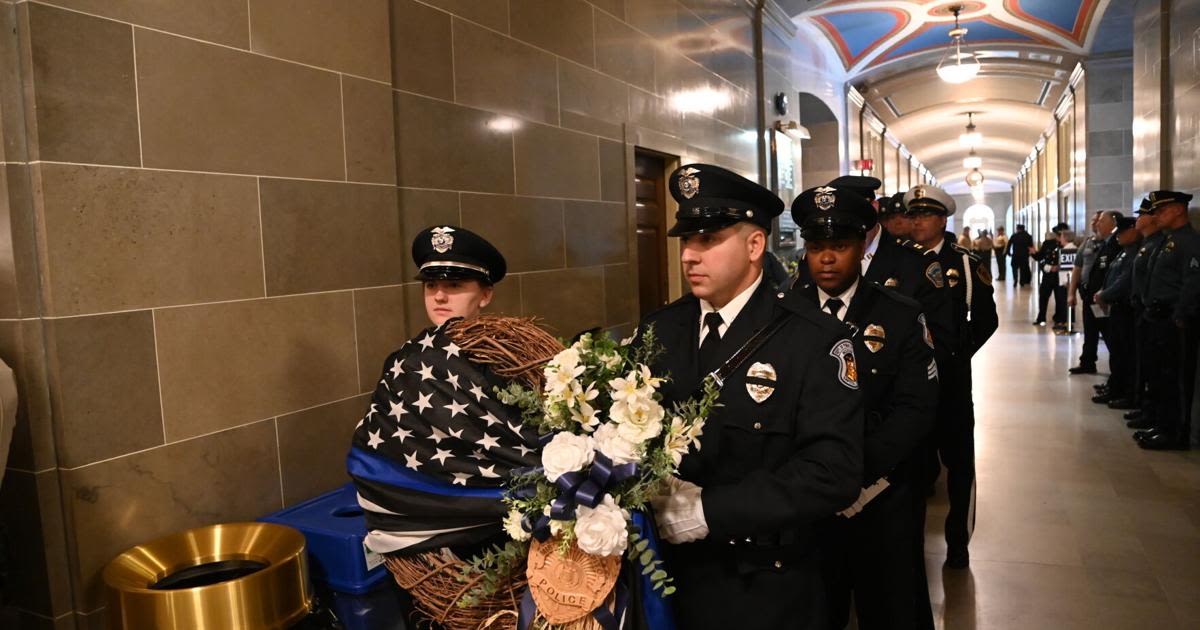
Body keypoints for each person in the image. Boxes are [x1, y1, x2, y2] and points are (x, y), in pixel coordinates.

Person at [642, 164, 863, 630]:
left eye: (708, 240)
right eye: (687, 240)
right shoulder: (660, 329)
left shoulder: (813, 338)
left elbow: (832, 472)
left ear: (755, 245)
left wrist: (710, 512)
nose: (689, 256)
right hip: (666, 579)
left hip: (767, 583)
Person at [347, 226, 544, 625]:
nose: (439, 296)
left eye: (454, 284)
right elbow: (381, 447)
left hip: (512, 536)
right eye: (431, 285)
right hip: (433, 543)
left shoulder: (510, 363)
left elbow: (531, 439)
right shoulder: (404, 364)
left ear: (485, 294)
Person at [790, 185, 938, 630]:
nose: (827, 258)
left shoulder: (899, 314)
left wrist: (857, 475)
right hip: (807, 496)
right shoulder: (785, 314)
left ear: (861, 247)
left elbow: (916, 406)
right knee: (816, 605)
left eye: (838, 246)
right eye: (816, 247)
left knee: (890, 605)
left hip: (882, 492)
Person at [904, 184, 998, 570]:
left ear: (943, 221)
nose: (917, 222)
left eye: (925, 215)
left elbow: (987, 320)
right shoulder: (900, 262)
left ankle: (958, 539)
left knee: (959, 462)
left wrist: (958, 356)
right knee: (912, 462)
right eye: (913, 215)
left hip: (952, 381)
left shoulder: (964, 263)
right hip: (909, 383)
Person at [1133, 191, 1199, 450]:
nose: (1156, 215)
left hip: (1173, 319)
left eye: (1162, 210)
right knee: (1160, 375)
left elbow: (1193, 282)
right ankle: (1161, 423)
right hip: (1156, 316)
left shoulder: (1189, 242)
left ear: (1179, 210)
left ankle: (1175, 432)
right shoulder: (1167, 241)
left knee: (1175, 378)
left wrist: (1181, 314)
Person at [1093, 216, 1141, 408]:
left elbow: (1125, 281)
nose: (1118, 236)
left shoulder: (1134, 253)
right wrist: (1103, 293)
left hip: (1126, 308)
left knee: (1126, 354)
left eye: (1122, 232)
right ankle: (1116, 386)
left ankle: (1127, 392)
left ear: (1133, 231)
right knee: (1118, 352)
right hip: (1117, 307)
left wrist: (1104, 294)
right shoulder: (1124, 252)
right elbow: (1112, 276)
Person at [1127, 199, 1167, 433]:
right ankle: (1148, 409)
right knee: (1148, 363)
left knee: (1162, 370)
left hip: (1161, 313)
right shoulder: (1149, 243)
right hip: (1145, 310)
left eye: (1143, 214)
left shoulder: (1162, 243)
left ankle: (1161, 420)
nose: (1138, 219)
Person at [1069, 212, 1121, 373]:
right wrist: (1071, 292)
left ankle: (1119, 371)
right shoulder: (1088, 243)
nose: (1095, 224)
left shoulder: (1113, 245)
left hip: (1103, 296)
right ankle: (1087, 362)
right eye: (1093, 221)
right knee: (1090, 330)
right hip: (1088, 293)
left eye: (1098, 221)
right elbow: (1077, 268)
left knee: (1108, 332)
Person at [1033, 227, 1066, 328]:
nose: (1058, 236)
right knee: (1043, 296)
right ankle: (1041, 317)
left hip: (1060, 276)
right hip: (1048, 275)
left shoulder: (1066, 245)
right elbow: (1040, 258)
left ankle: (1059, 318)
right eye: (1057, 234)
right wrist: (1033, 253)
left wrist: (1059, 267)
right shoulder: (1048, 243)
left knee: (1060, 298)